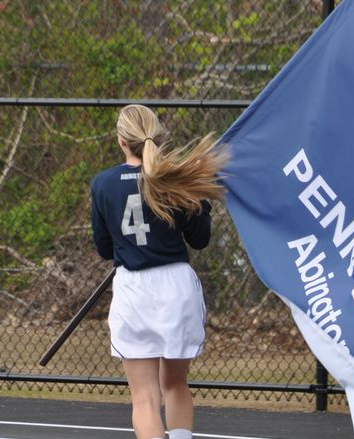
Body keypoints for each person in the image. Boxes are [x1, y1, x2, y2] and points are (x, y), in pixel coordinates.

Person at [90, 104, 228, 439]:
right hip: (175, 286)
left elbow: (105, 248)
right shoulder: (174, 179)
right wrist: (200, 201)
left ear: (122, 140)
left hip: (134, 290)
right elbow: (200, 239)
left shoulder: (103, 184)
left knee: (144, 397)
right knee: (175, 384)